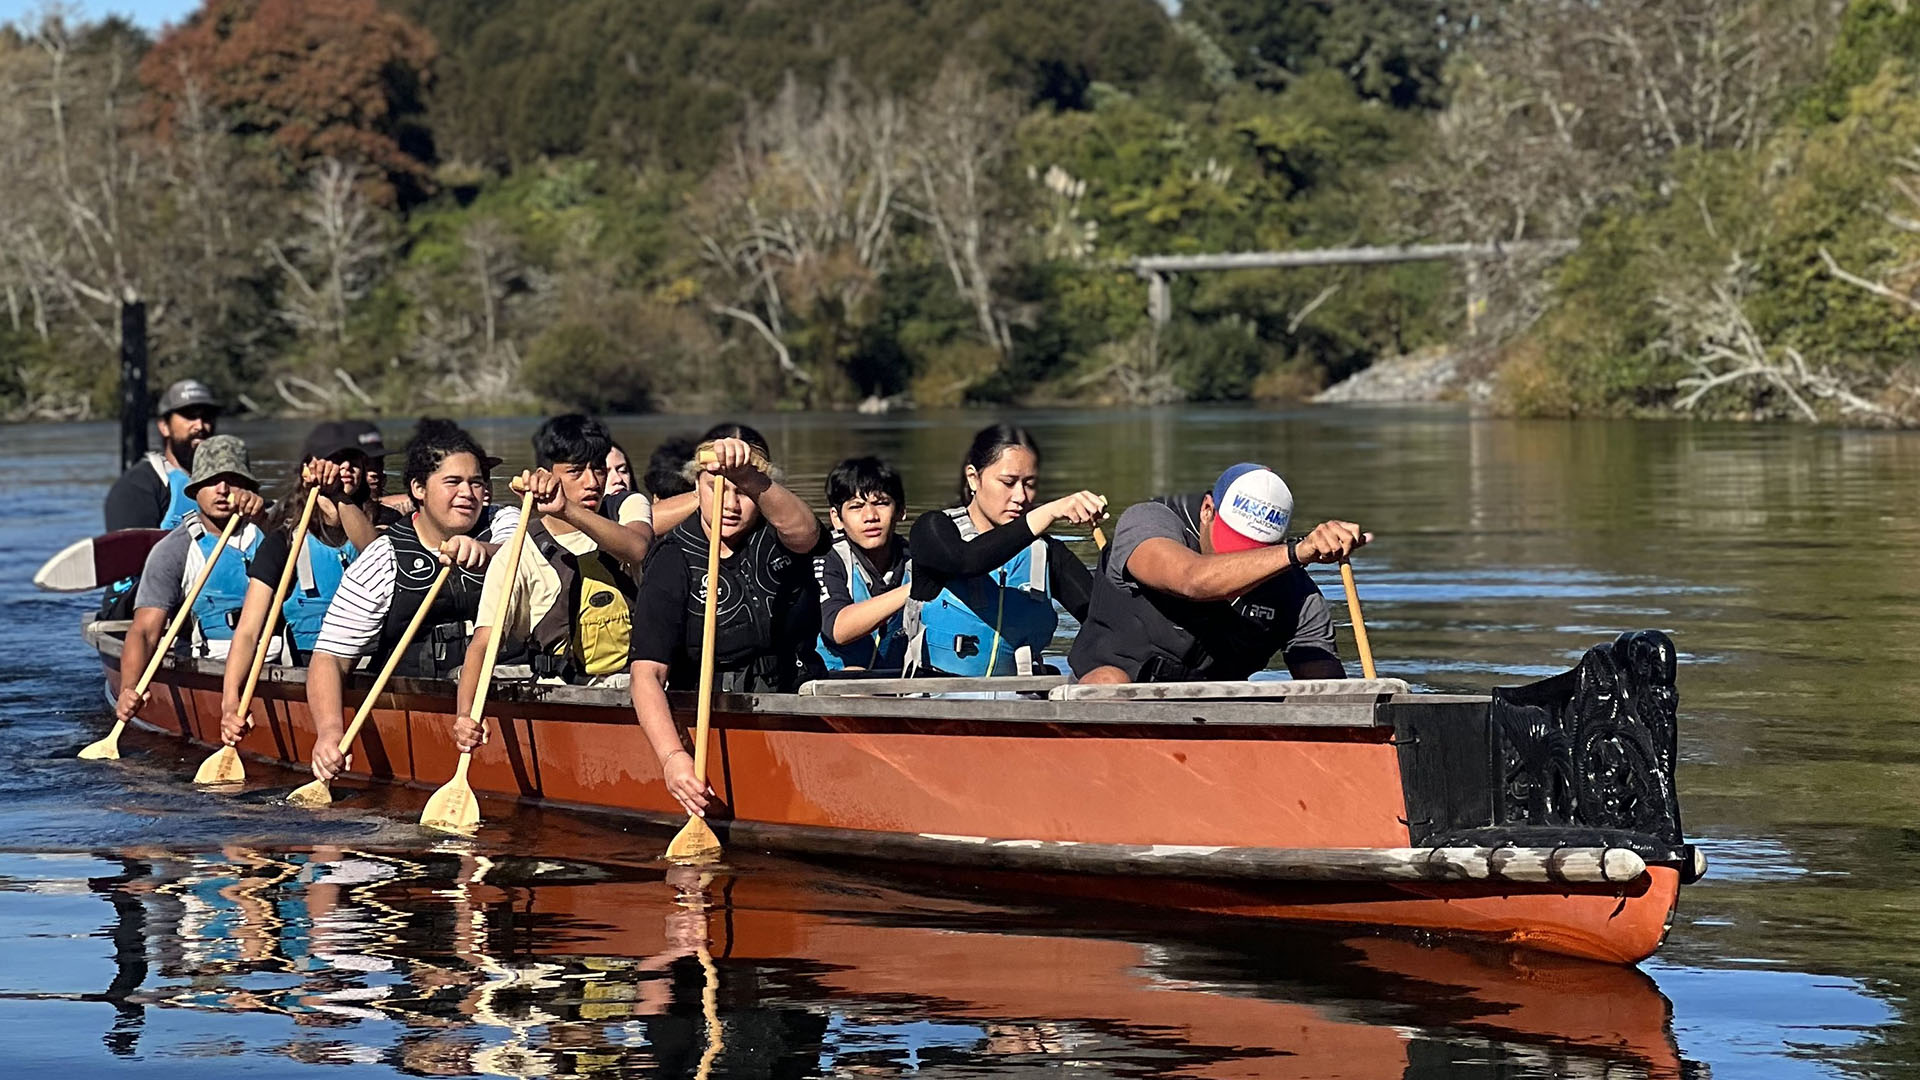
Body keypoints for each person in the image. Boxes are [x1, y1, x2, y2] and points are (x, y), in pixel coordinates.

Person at [304, 419, 519, 783]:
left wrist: (483, 549)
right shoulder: (383, 558)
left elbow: (521, 552)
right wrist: (328, 731)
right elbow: (330, 658)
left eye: (477, 482)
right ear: (419, 489)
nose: (468, 493)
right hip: (419, 698)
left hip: (508, 686)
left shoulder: (504, 521)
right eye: (453, 482)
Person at [629, 425, 825, 818]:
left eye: (743, 492)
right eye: (716, 488)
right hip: (712, 710)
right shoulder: (673, 559)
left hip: (794, 699)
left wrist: (750, 475)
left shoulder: (782, 534)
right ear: (695, 488)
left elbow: (806, 534)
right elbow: (645, 674)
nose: (730, 505)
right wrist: (672, 759)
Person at [1069, 463, 1369, 684]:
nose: (1239, 560)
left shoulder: (1298, 596)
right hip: (1106, 693)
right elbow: (1192, 580)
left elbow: (1324, 692)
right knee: (1110, 682)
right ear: (1208, 510)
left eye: (1254, 550)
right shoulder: (1147, 522)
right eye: (1232, 543)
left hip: (1213, 720)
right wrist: (1298, 552)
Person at [452, 418, 642, 750]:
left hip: (636, 688)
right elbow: (483, 644)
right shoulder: (517, 553)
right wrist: (466, 714)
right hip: (562, 695)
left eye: (598, 469)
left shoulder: (626, 509)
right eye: (576, 472)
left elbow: (637, 549)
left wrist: (566, 508)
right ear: (547, 475)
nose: (593, 482)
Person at [216, 423, 382, 748]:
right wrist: (229, 702)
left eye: (352, 460)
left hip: (375, 663)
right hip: (310, 668)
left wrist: (338, 497)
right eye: (334, 460)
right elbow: (249, 631)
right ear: (309, 469)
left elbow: (377, 555)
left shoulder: (387, 525)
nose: (344, 468)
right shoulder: (283, 543)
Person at [904, 424, 1105, 677]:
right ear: (973, 478)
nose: (1021, 496)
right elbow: (967, 561)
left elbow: (1103, 621)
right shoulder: (931, 530)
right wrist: (1050, 511)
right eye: (1008, 482)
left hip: (1020, 704)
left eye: (1029, 484)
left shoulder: (1047, 553)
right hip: (935, 702)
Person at [114, 435, 267, 724]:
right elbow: (145, 632)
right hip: (212, 659)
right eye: (212, 481)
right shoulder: (173, 551)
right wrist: (127, 688)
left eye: (233, 479)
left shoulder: (271, 533)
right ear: (195, 490)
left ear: (248, 488)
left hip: (272, 657)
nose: (223, 490)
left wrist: (265, 522)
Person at [813, 456, 911, 672]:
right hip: (831, 686)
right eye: (856, 507)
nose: (870, 516)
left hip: (897, 688)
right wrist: (913, 590)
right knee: (853, 672)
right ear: (836, 518)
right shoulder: (827, 557)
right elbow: (839, 629)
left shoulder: (915, 559)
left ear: (901, 510)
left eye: (882, 503)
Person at [104, 378, 220, 532]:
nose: (200, 426)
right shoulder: (136, 487)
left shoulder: (229, 484)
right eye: (189, 416)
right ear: (164, 427)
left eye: (207, 417)